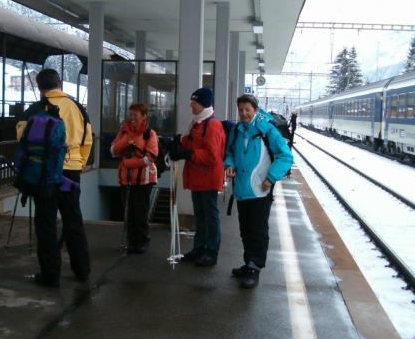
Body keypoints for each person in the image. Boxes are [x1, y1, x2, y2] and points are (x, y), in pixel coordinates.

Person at [16, 69, 93, 288]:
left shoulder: (34, 109)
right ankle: (82, 270)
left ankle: (50, 275)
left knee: (46, 222)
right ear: (60, 83)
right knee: (73, 219)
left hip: (44, 174)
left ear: (40, 87)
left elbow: (22, 137)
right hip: (71, 172)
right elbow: (88, 139)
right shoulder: (78, 107)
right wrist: (79, 163)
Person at [225, 94, 293, 289]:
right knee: (245, 229)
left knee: (258, 230)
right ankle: (248, 263)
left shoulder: (267, 130)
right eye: (241, 110)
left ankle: (255, 267)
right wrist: (229, 164)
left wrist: (271, 178)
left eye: (248, 109)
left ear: (255, 110)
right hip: (242, 188)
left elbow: (285, 157)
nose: (244, 113)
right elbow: (229, 152)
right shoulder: (238, 130)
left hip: (260, 189)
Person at [169, 87, 226, 267]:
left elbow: (212, 156)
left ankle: (211, 251)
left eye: (194, 102)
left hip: (208, 179)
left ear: (203, 104)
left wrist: (188, 153)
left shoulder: (213, 125)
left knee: (210, 216)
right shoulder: (199, 123)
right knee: (201, 216)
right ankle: (199, 248)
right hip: (198, 178)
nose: (191, 105)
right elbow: (193, 142)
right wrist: (177, 141)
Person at [110, 102, 159, 254]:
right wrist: (125, 142)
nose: (132, 118)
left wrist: (130, 163)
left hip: (144, 180)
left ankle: (142, 241)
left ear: (144, 116)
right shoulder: (123, 131)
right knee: (128, 211)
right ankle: (132, 241)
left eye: (135, 115)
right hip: (126, 179)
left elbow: (150, 157)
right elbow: (113, 150)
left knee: (140, 212)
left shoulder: (150, 134)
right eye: (130, 114)